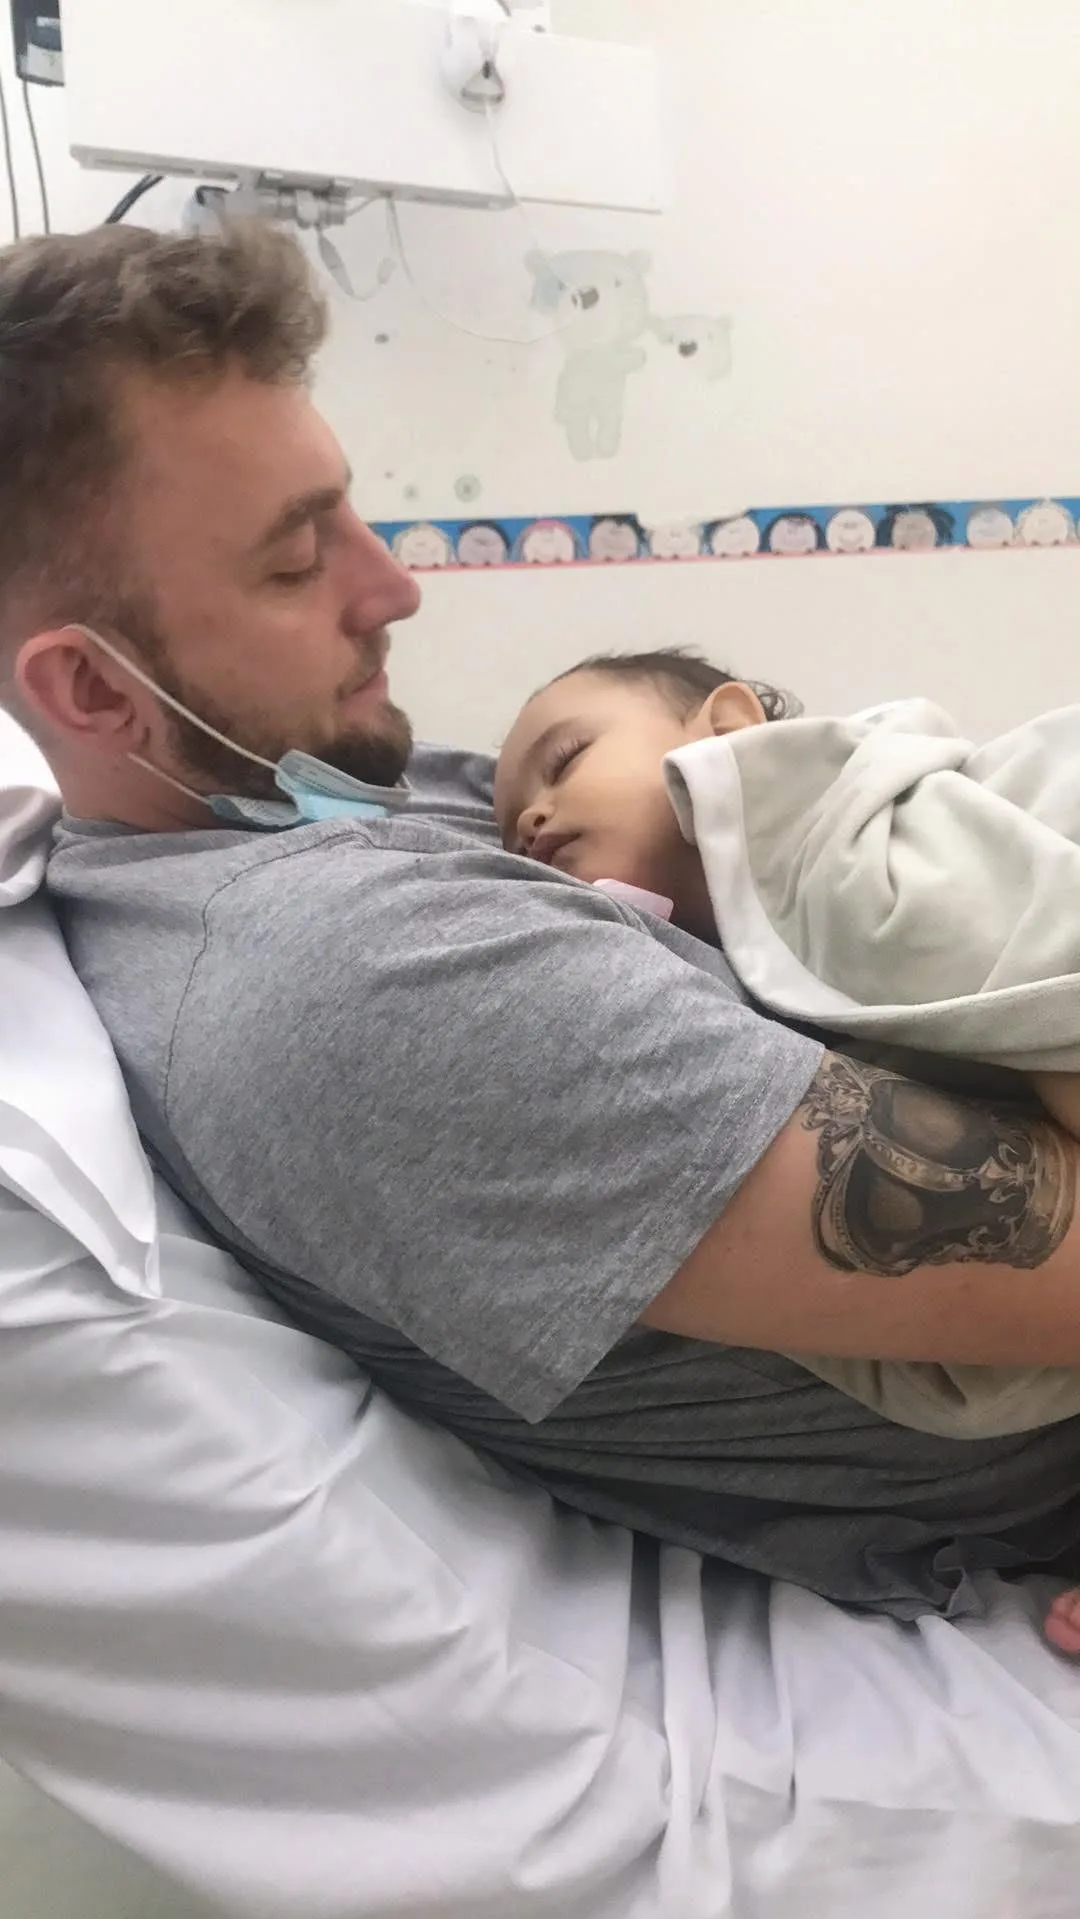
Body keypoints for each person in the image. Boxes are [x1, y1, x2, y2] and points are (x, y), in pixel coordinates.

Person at [8, 225, 1080, 1633]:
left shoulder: (331, 797)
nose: (393, 590)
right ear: (90, 695)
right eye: (293, 564)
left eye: (349, 512)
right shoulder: (359, 979)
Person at [495, 647, 1080, 1649]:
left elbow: (1044, 959)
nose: (533, 818)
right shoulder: (726, 977)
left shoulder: (846, 852)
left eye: (565, 759)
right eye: (509, 827)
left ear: (726, 729)